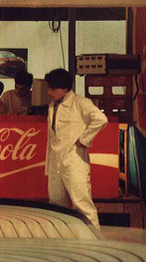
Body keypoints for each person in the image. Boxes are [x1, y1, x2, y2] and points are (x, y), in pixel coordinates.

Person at [45, 68, 108, 230]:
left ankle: (94, 244)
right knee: (57, 206)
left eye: (53, 88)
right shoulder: (53, 105)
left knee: (82, 204)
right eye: (48, 87)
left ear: (65, 88)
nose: (49, 92)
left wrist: (84, 139)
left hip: (74, 159)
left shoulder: (80, 102)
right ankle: (63, 242)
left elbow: (101, 119)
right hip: (55, 160)